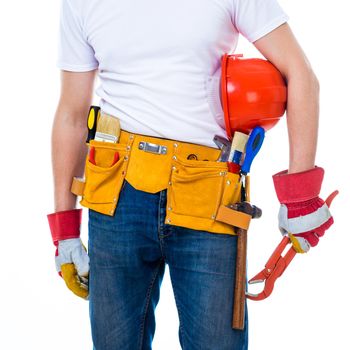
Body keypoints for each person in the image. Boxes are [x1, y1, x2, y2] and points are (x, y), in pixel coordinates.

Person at [47, 0, 335, 349]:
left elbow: (300, 73)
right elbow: (72, 113)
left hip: (209, 197)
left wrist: (300, 196)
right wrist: (64, 230)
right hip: (116, 196)